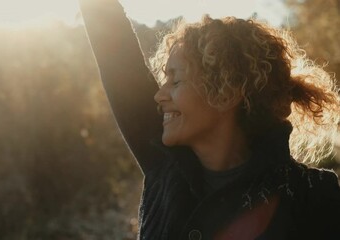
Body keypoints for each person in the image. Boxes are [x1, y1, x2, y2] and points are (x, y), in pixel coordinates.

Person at [78, 0, 340, 239]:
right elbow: (115, 53)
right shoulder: (165, 166)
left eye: (176, 80)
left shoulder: (314, 196)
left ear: (226, 92)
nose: (158, 95)